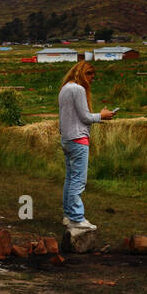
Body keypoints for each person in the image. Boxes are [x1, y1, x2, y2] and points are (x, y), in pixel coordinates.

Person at [57, 61, 114, 232]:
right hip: (78, 139)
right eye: (90, 76)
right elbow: (85, 117)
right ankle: (76, 218)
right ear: (83, 73)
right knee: (78, 180)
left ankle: (68, 215)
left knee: (70, 178)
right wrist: (102, 115)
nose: (91, 80)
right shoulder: (78, 89)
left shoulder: (65, 88)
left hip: (67, 138)